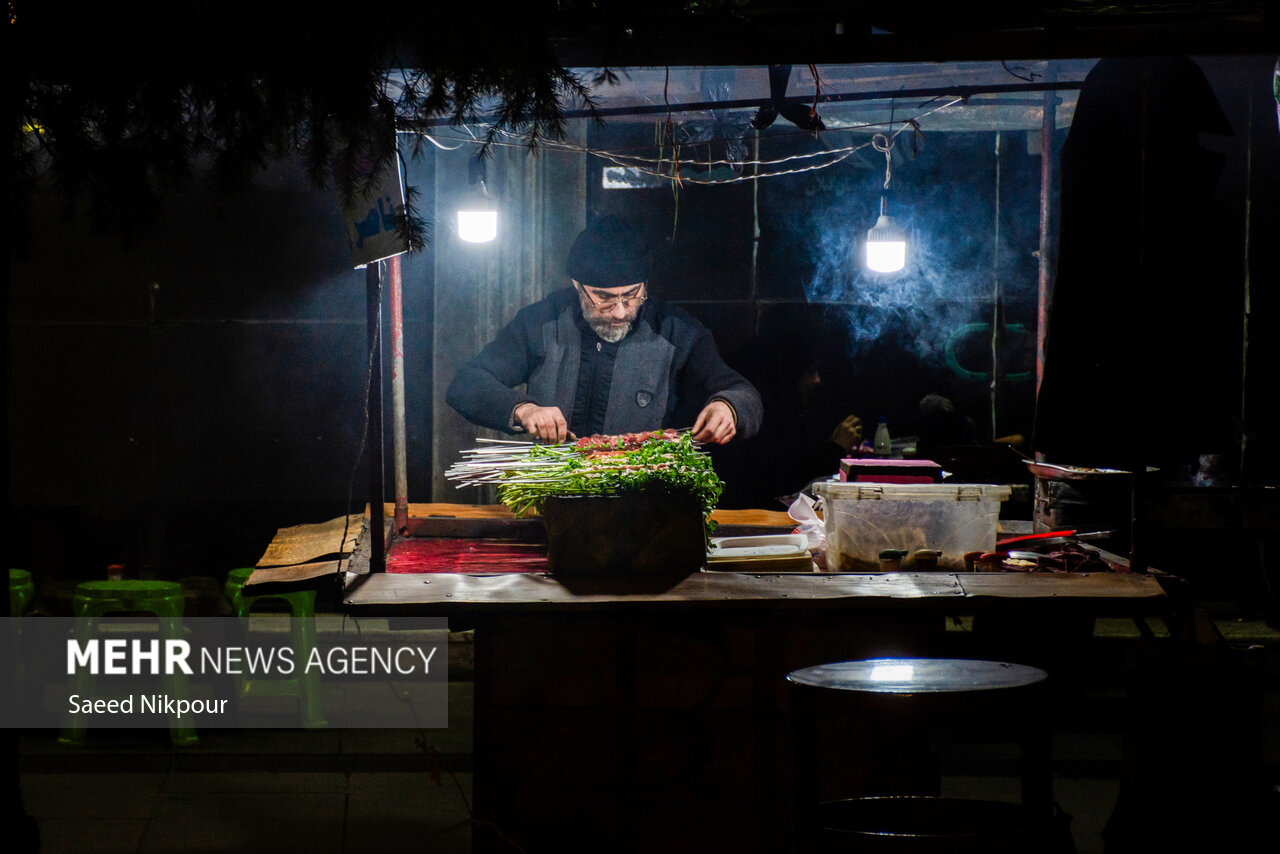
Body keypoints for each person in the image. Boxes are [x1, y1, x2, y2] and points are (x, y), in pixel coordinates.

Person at [446, 215, 762, 444]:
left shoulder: (677, 333)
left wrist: (728, 407)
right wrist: (523, 409)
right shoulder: (542, 323)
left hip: (643, 504)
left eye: (632, 295)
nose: (620, 311)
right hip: (552, 493)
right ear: (577, 286)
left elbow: (743, 393)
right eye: (605, 299)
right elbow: (466, 384)